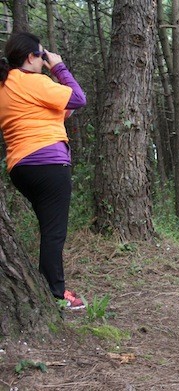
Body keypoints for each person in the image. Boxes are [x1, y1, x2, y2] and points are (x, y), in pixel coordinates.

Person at [0, 32, 87, 309]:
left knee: (49, 229)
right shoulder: (35, 81)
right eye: (41, 55)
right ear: (30, 57)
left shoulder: (5, 85)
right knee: (54, 232)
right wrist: (58, 67)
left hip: (20, 168)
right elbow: (78, 98)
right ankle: (57, 295)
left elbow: (62, 109)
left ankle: (50, 284)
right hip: (49, 164)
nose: (44, 59)